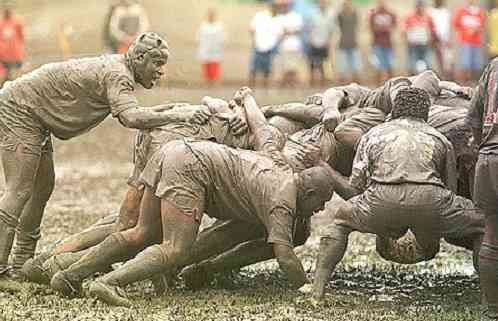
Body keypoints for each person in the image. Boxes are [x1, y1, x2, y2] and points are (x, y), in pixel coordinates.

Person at [50, 91, 335, 307]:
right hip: (191, 167)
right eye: (320, 203)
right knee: (175, 248)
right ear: (308, 192)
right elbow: (284, 255)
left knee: (142, 232)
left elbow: (261, 127)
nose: (319, 210)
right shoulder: (282, 202)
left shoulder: (278, 160)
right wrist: (307, 288)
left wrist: (248, 98)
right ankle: (108, 282)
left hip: (173, 151)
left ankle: (70, 276)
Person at [0, 32, 184, 278]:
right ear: (139, 57)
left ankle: (22, 261)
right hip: (20, 109)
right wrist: (178, 116)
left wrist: (165, 112)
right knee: (19, 189)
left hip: (32, 114)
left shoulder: (119, 68)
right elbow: (131, 117)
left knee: (42, 186)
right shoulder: (119, 74)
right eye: (157, 63)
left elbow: (134, 111)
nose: (161, 71)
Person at [309, 87, 483, 299]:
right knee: (484, 225)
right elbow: (449, 189)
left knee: (340, 221)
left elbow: (356, 188)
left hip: (381, 198)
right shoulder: (439, 138)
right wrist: (432, 225)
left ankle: (316, 291)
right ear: (426, 113)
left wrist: (323, 166)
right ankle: (488, 292)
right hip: (430, 198)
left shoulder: (373, 135)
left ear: (394, 111)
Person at [466, 58, 498, 319]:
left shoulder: (494, 65)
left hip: (488, 160)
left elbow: (473, 117)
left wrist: (482, 146)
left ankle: (491, 308)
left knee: (491, 234)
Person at [249, 1, 283, 88]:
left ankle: (265, 90)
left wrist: (275, 46)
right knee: (253, 70)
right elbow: (252, 29)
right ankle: (251, 90)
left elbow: (280, 34)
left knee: (267, 71)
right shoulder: (260, 16)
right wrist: (254, 42)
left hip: (270, 48)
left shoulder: (279, 19)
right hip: (258, 46)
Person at [452, 0, 486, 84]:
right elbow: (455, 24)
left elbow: (483, 25)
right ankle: (465, 82)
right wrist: (465, 31)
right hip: (465, 41)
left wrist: (475, 30)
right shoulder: (462, 11)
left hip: (476, 42)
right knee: (465, 63)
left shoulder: (479, 12)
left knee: (476, 64)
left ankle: (474, 83)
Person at [402, 0, 436, 75]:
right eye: (418, 6)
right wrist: (408, 40)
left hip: (425, 46)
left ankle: (427, 84)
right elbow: (404, 30)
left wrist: (430, 39)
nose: (420, 8)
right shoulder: (409, 17)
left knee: (429, 64)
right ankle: (411, 84)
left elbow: (433, 30)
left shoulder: (428, 17)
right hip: (413, 46)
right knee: (412, 66)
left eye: (421, 6)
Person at [276, 0, 305, 87]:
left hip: (295, 46)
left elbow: (299, 29)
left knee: (293, 68)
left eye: (286, 5)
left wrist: (287, 31)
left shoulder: (296, 16)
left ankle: (293, 86)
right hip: (283, 47)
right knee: (284, 69)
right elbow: (279, 32)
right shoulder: (279, 17)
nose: (284, 7)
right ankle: (286, 86)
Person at [368, 0, 397, 85]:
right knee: (377, 66)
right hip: (376, 44)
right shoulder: (373, 14)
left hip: (388, 44)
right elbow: (371, 27)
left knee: (390, 66)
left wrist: (384, 28)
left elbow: (394, 26)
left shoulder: (390, 14)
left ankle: (392, 86)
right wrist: (382, 28)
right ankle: (378, 87)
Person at [307, 0, 335, 87]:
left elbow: (331, 30)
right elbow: (310, 28)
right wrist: (311, 40)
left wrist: (329, 41)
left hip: (324, 43)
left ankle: (323, 83)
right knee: (312, 63)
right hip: (314, 42)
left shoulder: (330, 14)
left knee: (324, 64)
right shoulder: (313, 14)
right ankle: (312, 83)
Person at [336, 0, 361, 85]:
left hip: (353, 43)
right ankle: (343, 83)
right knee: (343, 66)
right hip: (343, 43)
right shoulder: (340, 15)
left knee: (356, 66)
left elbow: (357, 27)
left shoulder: (355, 15)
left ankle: (355, 82)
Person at [197, 8, 225, 87]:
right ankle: (207, 87)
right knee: (206, 73)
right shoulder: (203, 26)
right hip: (205, 52)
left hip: (216, 52)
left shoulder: (219, 26)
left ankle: (215, 87)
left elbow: (222, 39)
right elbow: (199, 38)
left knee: (215, 73)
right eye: (210, 15)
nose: (211, 16)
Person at [0, 4, 24, 84]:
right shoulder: (1, 23)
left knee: (18, 74)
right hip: (4, 55)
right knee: (6, 74)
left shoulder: (17, 22)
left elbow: (21, 37)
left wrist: (21, 49)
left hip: (16, 53)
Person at [429, 0, 453, 78]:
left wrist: (448, 39)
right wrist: (434, 39)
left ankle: (446, 78)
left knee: (447, 61)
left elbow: (448, 27)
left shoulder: (446, 12)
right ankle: (437, 78)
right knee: (435, 61)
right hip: (435, 39)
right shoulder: (430, 11)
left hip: (445, 39)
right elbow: (430, 27)